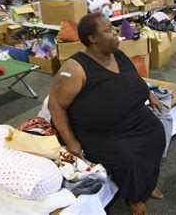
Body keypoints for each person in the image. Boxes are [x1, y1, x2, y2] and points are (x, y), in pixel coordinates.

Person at [48, 12, 166, 214]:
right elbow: (55, 105)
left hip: (133, 117)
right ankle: (135, 197)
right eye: (108, 30)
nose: (116, 33)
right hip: (101, 133)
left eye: (113, 28)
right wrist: (70, 141)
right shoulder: (75, 68)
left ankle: (146, 184)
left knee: (157, 133)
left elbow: (133, 78)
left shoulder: (117, 54)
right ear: (93, 38)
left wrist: (150, 95)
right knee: (128, 157)